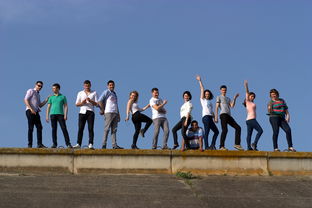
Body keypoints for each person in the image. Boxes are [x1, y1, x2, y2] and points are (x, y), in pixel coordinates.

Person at [215, 85, 244, 151]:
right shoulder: (219, 97)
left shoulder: (228, 98)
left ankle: (237, 144)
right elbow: (216, 107)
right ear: (220, 90)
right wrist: (216, 117)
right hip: (223, 115)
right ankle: (221, 146)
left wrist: (234, 98)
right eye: (222, 90)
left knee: (238, 128)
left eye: (225, 90)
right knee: (225, 130)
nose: (224, 91)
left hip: (228, 115)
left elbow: (232, 106)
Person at [24, 81, 50, 148]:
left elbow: (40, 105)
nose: (40, 87)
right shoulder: (31, 91)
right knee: (31, 127)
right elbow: (25, 100)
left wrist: (46, 100)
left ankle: (39, 144)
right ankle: (30, 145)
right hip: (30, 111)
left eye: (41, 86)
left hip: (36, 112)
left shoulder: (38, 94)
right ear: (35, 85)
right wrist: (31, 109)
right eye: (39, 85)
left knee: (39, 127)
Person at [73, 80, 98, 149]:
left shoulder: (94, 92)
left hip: (90, 112)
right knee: (80, 128)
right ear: (84, 86)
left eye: (88, 85)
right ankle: (78, 143)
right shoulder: (80, 93)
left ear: (90, 85)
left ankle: (90, 143)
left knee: (90, 128)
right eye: (85, 86)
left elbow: (97, 104)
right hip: (82, 112)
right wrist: (83, 102)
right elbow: (77, 104)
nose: (87, 87)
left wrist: (90, 101)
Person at [46, 83, 72, 148]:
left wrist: (65, 115)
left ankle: (68, 143)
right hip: (52, 115)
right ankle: (54, 144)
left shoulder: (63, 97)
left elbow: (66, 106)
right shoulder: (51, 97)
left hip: (61, 115)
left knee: (64, 129)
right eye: (52, 88)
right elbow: (48, 107)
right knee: (54, 129)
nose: (53, 90)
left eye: (54, 88)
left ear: (58, 88)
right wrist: (47, 116)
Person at [196, 75, 219, 150]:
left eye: (208, 94)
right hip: (205, 117)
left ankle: (212, 145)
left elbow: (211, 112)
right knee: (207, 132)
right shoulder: (203, 100)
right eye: (206, 94)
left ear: (210, 95)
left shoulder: (210, 102)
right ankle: (206, 147)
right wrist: (200, 81)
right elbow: (202, 89)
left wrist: (215, 118)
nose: (207, 95)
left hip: (210, 117)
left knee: (216, 132)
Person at [98, 80, 123, 149]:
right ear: (108, 86)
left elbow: (116, 105)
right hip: (108, 112)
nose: (111, 86)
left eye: (112, 85)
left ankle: (114, 145)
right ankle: (104, 144)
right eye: (110, 85)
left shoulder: (114, 94)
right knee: (107, 129)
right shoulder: (106, 92)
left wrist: (118, 114)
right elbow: (99, 100)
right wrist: (102, 110)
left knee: (114, 129)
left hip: (115, 112)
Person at [243, 80, 263, 151]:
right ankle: (254, 143)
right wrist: (246, 86)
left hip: (249, 120)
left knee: (249, 134)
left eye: (253, 97)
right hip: (251, 120)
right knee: (260, 130)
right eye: (252, 96)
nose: (253, 97)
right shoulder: (247, 102)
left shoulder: (252, 103)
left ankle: (249, 147)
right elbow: (247, 93)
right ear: (249, 97)